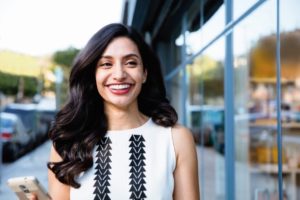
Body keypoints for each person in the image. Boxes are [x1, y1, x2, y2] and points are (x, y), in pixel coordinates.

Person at [47, 23, 199, 200]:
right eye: (106, 64)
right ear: (93, 74)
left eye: (131, 62)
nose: (119, 74)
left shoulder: (176, 139)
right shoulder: (68, 142)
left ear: (144, 73)